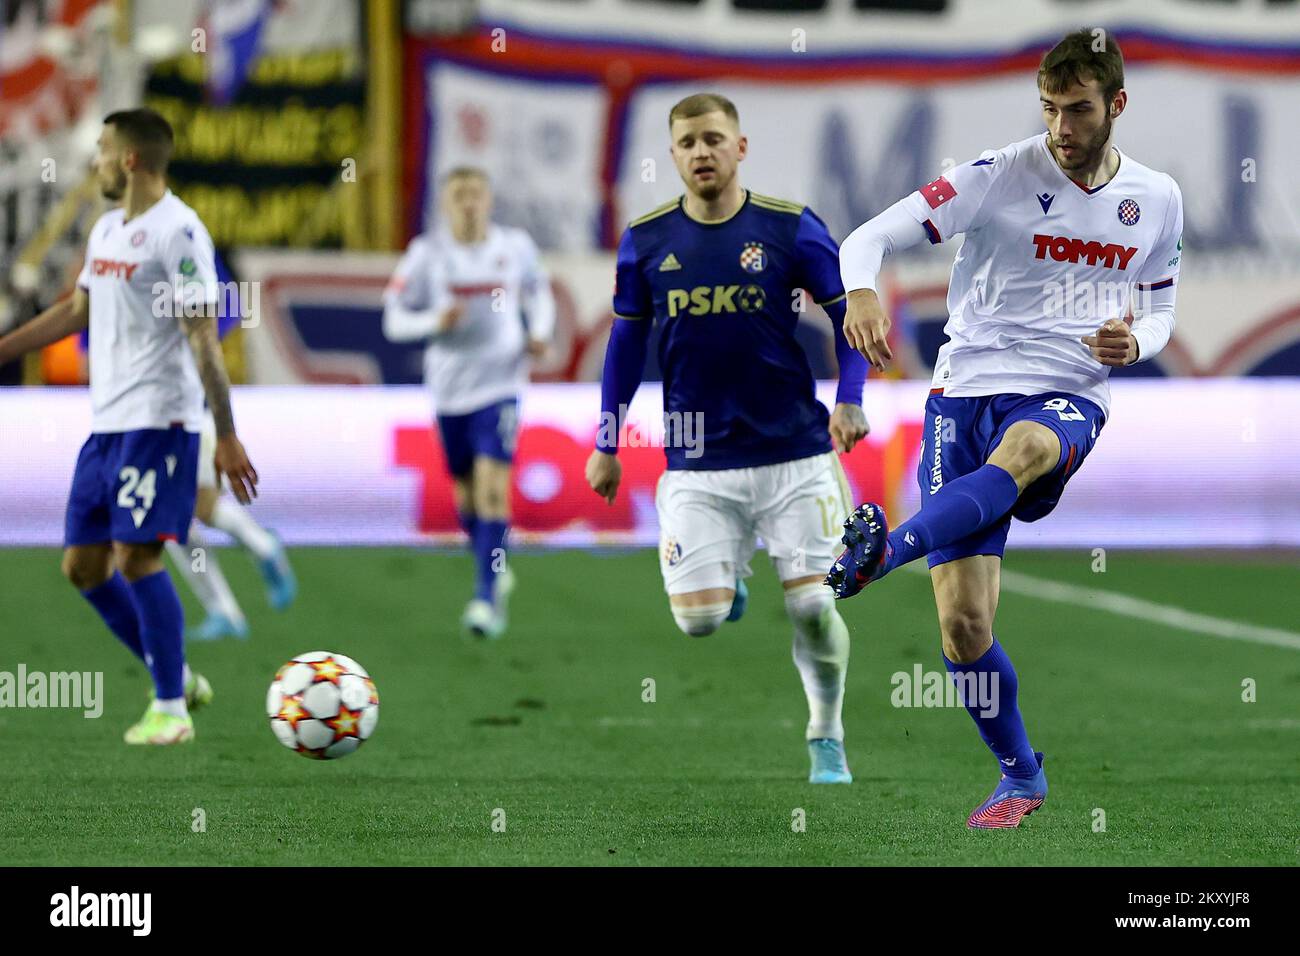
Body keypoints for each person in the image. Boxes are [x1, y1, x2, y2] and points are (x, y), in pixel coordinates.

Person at [829, 30, 1183, 827]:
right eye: (1050, 108)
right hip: (966, 390)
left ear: (1116, 105)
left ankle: (886, 552)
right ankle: (1021, 776)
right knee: (962, 630)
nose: (1061, 126)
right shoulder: (993, 176)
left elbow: (1160, 306)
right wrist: (859, 294)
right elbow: (867, 239)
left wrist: (1139, 343)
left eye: (1079, 109)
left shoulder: (1157, 198)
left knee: (1025, 450)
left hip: (1067, 392)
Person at [585, 93, 870, 784]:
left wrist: (851, 399)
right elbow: (625, 346)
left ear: (740, 148)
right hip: (697, 462)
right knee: (699, 623)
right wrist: (607, 440)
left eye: (713, 139)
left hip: (795, 453)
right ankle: (727, 576)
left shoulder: (791, 228)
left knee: (810, 606)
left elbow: (850, 315)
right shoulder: (647, 241)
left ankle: (825, 733)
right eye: (686, 143)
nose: (701, 152)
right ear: (674, 154)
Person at [0, 108, 259, 744]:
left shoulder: (180, 234)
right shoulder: (109, 229)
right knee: (83, 568)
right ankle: (175, 675)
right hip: (107, 425)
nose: (94, 162)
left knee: (137, 555)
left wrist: (224, 432)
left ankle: (170, 709)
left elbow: (204, 337)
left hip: (159, 420)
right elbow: (73, 311)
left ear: (132, 160)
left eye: (102, 150)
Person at [383, 167, 555, 639]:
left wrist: (537, 334)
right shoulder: (427, 254)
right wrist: (434, 321)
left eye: (476, 193)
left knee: (492, 487)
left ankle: (486, 599)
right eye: (458, 195)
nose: (468, 203)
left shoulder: (515, 247)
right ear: (444, 203)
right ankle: (492, 560)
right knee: (465, 495)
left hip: (500, 382)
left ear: (489, 198)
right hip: (449, 387)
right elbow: (394, 321)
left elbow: (541, 297)